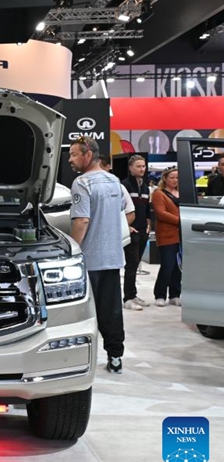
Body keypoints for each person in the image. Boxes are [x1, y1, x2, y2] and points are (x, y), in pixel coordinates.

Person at [68, 136, 129, 375]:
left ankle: (78, 361)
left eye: (74, 154)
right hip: (112, 258)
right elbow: (124, 210)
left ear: (88, 154)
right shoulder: (114, 181)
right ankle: (115, 357)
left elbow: (82, 220)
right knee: (112, 310)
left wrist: (72, 250)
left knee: (80, 312)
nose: (71, 159)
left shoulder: (82, 183)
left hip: (89, 260)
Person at [121, 155, 152, 311]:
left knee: (136, 262)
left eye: (144, 166)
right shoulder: (124, 186)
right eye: (139, 166)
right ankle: (128, 298)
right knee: (131, 264)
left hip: (142, 231)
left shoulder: (146, 187)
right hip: (131, 231)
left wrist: (148, 224)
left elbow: (146, 209)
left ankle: (133, 295)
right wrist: (126, 226)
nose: (142, 169)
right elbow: (120, 209)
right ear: (131, 168)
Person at [151, 166, 182, 307]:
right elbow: (161, 213)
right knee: (167, 265)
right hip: (166, 235)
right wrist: (181, 220)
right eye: (172, 177)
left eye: (177, 177)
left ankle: (175, 294)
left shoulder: (181, 193)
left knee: (178, 267)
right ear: (165, 178)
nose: (175, 180)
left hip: (182, 234)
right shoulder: (159, 194)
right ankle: (160, 294)